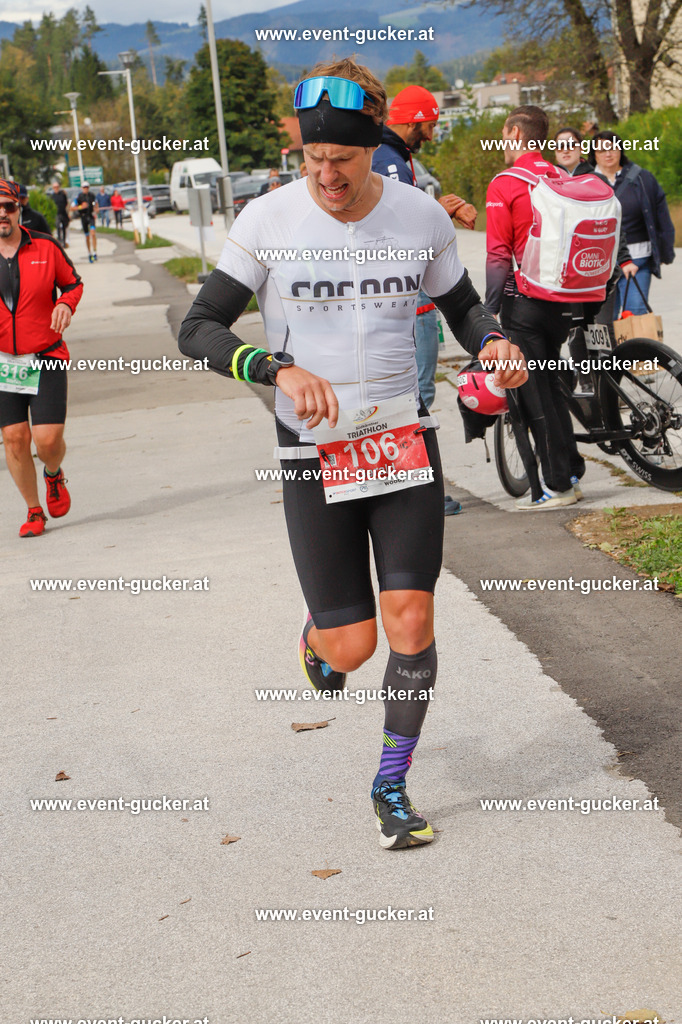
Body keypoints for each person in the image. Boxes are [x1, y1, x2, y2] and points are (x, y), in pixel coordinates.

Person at [178, 58, 527, 850]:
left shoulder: (417, 215)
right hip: (313, 451)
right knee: (353, 646)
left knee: (412, 616)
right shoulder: (267, 221)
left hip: (402, 440)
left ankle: (391, 786)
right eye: (312, 158)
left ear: (376, 144)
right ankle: (319, 634)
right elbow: (198, 326)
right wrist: (272, 367)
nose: (326, 175)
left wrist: (496, 343)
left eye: (342, 159)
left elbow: (464, 308)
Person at [486, 106, 603, 509]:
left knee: (534, 394)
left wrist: (490, 311)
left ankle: (558, 485)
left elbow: (499, 255)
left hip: (526, 303)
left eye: (504, 133)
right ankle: (571, 471)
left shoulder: (505, 183)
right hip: (565, 301)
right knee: (552, 387)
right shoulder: (559, 176)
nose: (502, 141)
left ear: (515, 133)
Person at [373, 84, 477, 413]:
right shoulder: (390, 162)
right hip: (406, 288)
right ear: (413, 122)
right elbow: (402, 231)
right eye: (430, 126)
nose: (431, 136)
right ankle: (416, 460)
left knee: (416, 389)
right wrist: (440, 213)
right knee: (419, 391)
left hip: (396, 287)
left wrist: (434, 208)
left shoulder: (392, 155)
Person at [0, 179, 83, 538]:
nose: (2, 214)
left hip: (46, 355)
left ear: (19, 208)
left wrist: (66, 302)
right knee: (15, 438)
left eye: (8, 206)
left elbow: (73, 283)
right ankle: (34, 511)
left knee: (47, 440)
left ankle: (53, 473)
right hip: (3, 362)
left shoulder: (45, 247)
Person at [590, 129, 675, 317]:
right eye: (602, 150)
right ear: (594, 154)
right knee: (604, 320)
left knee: (635, 314)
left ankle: (636, 348)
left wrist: (665, 250)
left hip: (638, 258)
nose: (608, 153)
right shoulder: (586, 181)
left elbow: (661, 215)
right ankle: (611, 348)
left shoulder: (642, 178)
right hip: (599, 262)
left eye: (613, 148)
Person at [75, 182, 98, 262]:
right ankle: (89, 253)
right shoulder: (79, 197)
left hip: (90, 216)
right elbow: (73, 208)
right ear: (82, 188)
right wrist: (81, 206)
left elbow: (95, 203)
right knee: (87, 237)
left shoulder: (92, 195)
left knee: (93, 234)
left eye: (87, 187)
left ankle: (95, 252)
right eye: (84, 187)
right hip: (83, 217)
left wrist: (96, 208)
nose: (86, 189)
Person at [50, 182, 70, 246]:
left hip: (63, 213)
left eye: (57, 187)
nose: (56, 188)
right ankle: (59, 241)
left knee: (64, 227)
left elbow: (66, 203)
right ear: (53, 188)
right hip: (57, 214)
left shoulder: (63, 194)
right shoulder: (52, 196)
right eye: (55, 187)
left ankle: (64, 241)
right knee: (58, 227)